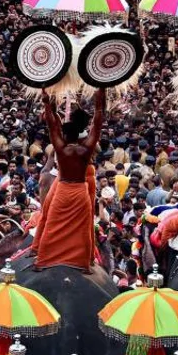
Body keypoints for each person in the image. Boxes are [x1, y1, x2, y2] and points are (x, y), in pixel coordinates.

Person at [34, 89, 106, 271]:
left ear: (65, 135)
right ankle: (85, 265)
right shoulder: (86, 149)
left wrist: (47, 103)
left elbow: (52, 125)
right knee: (83, 229)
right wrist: (99, 102)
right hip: (81, 191)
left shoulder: (60, 148)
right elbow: (97, 125)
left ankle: (42, 261)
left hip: (64, 190)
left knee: (52, 225)